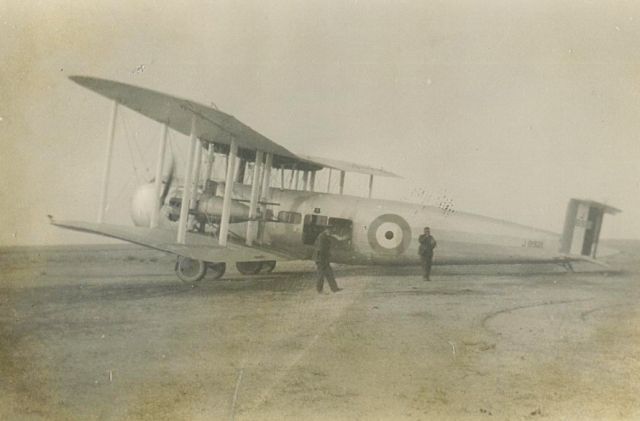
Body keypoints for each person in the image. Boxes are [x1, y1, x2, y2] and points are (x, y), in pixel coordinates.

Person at [313, 227, 342, 293]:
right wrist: (327, 256)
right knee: (321, 276)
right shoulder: (322, 237)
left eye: (331, 231)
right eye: (329, 231)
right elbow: (321, 249)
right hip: (321, 259)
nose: (330, 232)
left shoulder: (325, 236)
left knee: (330, 274)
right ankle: (320, 290)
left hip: (324, 259)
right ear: (325, 230)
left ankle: (334, 289)